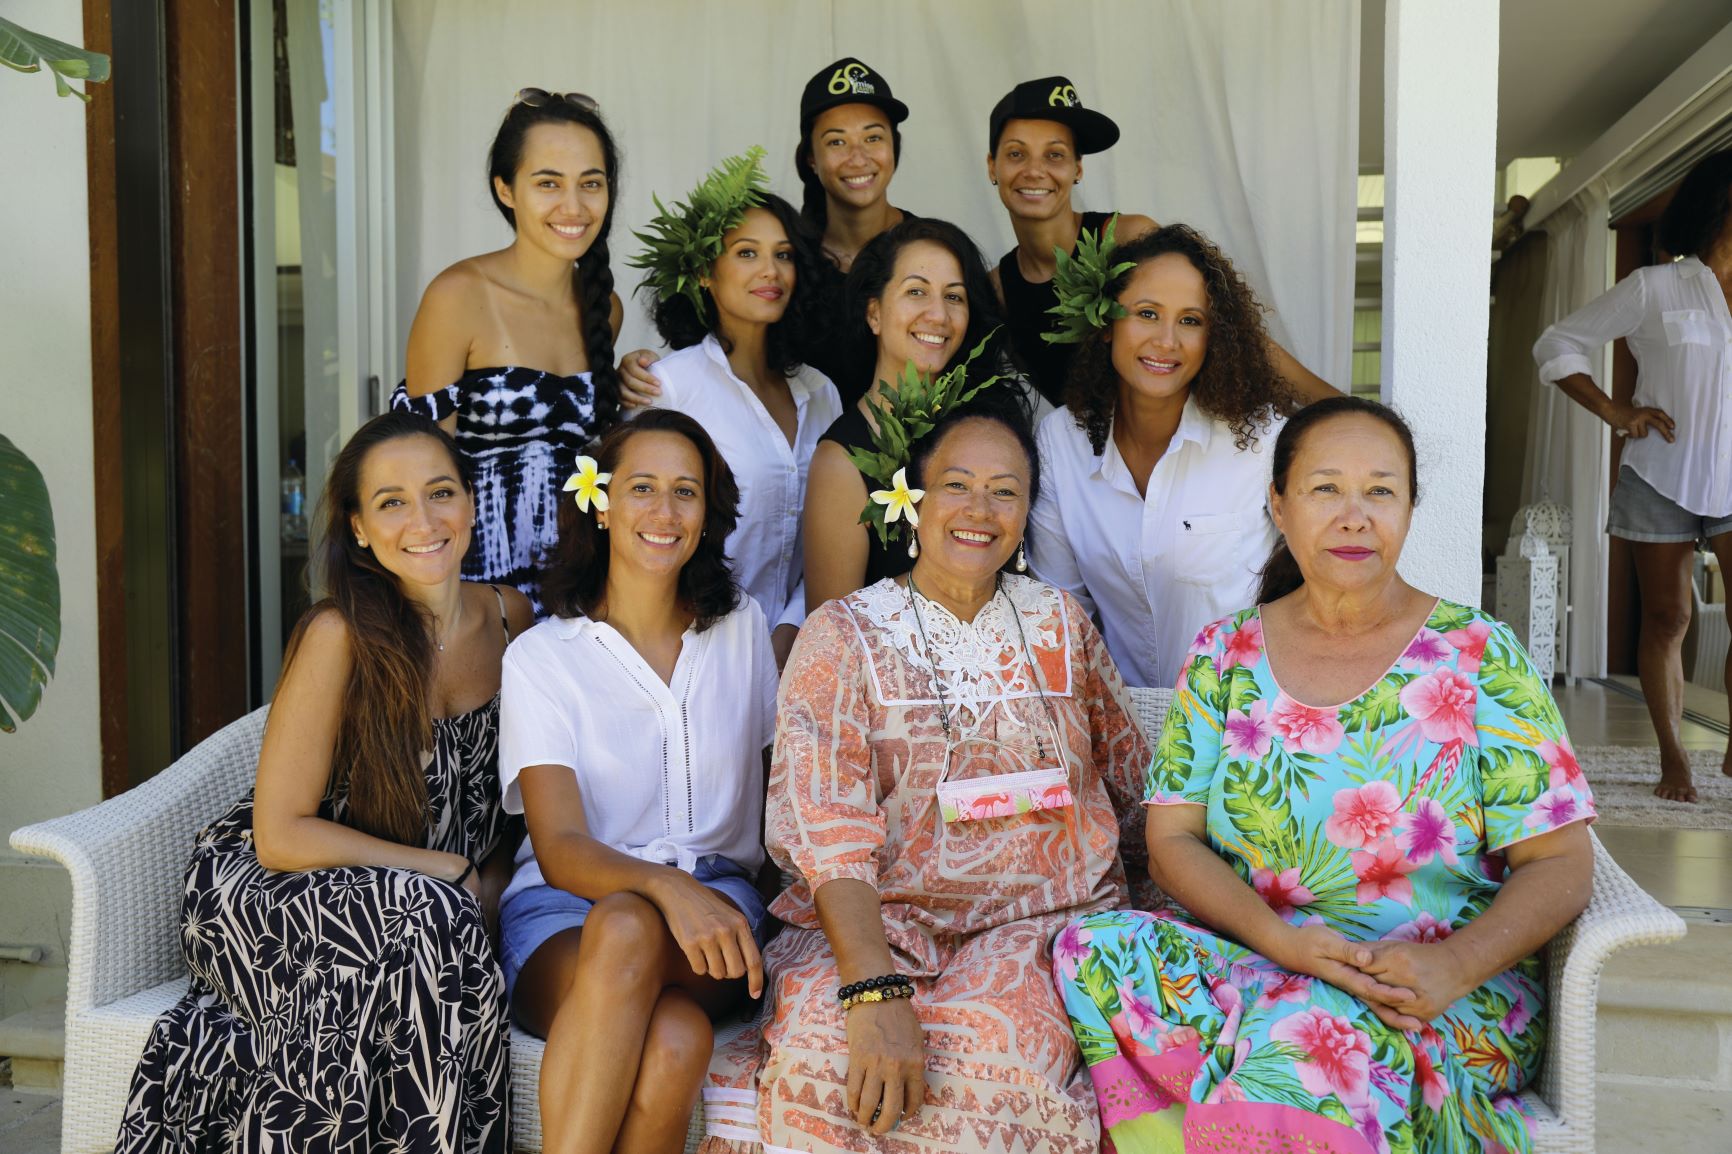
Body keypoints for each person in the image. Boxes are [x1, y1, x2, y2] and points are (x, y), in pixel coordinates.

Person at [1055, 396, 1597, 1154]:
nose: (1354, 515)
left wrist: (1452, 965)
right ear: (1279, 504)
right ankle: (1261, 1108)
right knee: (1091, 949)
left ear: (1410, 508)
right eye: (1325, 489)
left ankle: (1257, 1102)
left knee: (1300, 1043)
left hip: (1427, 988)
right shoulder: (1225, 653)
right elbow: (1173, 839)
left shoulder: (1479, 655)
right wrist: (1284, 946)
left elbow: (1562, 860)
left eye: (1381, 490)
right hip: (1262, 957)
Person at [696, 387, 1152, 1154]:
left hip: (1034, 929)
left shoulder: (1061, 626)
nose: (981, 508)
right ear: (911, 499)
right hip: (874, 926)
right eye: (957, 485)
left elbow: (1132, 780)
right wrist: (872, 986)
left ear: (1027, 512)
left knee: (993, 1061)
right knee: (824, 1055)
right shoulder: (844, 635)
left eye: (1005, 491)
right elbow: (825, 825)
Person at [117, 411, 534, 1154]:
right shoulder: (338, 634)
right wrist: (448, 873)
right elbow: (280, 833)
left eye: (441, 492)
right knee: (425, 925)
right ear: (361, 529)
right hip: (275, 886)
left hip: (427, 912)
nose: (424, 521)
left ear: (472, 503)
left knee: (424, 934)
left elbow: (519, 802)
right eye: (392, 502)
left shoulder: (512, 620)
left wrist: (488, 883)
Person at [498, 409, 779, 1154]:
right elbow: (557, 846)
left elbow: (779, 792)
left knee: (634, 934)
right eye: (643, 488)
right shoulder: (541, 656)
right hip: (564, 915)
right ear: (602, 501)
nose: (664, 512)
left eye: (686, 493)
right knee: (676, 1037)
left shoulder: (742, 630)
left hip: (718, 914)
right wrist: (665, 889)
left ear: (708, 514)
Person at [1028, 223, 1336, 689]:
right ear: (1107, 324)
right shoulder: (1061, 441)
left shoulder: (1262, 441)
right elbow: (1060, 613)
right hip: (1118, 728)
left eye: (1191, 321)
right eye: (1147, 314)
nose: (1167, 341)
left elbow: (1318, 592)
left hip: (1241, 726)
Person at [1532, 149, 1732, 803]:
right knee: (1668, 619)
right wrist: (1617, 411)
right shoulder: (1657, 287)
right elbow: (1557, 343)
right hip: (1659, 476)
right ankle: (1674, 759)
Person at [396, 88, 625, 612]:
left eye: (591, 184)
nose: (574, 206)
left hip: (577, 590)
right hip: (476, 594)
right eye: (548, 183)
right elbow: (418, 472)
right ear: (505, 188)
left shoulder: (604, 307)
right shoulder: (458, 295)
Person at [629, 150, 842, 665]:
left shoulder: (820, 394)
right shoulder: (670, 388)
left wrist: (791, 627)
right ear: (705, 271)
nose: (770, 271)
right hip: (694, 651)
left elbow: (829, 536)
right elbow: (637, 530)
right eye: (746, 253)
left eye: (784, 254)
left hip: (800, 653)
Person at [617, 56, 912, 404]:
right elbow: (722, 348)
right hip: (805, 445)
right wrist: (645, 374)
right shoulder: (791, 253)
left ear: (894, 146)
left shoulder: (930, 250)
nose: (858, 157)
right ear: (811, 159)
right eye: (836, 141)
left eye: (873, 137)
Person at [802, 217, 1025, 613]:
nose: (938, 314)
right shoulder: (841, 463)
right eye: (916, 292)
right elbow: (830, 639)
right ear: (874, 313)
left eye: (954, 297)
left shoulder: (993, 426)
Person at [984, 75, 1155, 405]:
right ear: (993, 167)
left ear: (1078, 168)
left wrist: (1290, 414)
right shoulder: (998, 291)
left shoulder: (1129, 238)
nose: (1035, 171)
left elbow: (1226, 331)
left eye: (1055, 155)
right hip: (1086, 455)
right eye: (1017, 154)